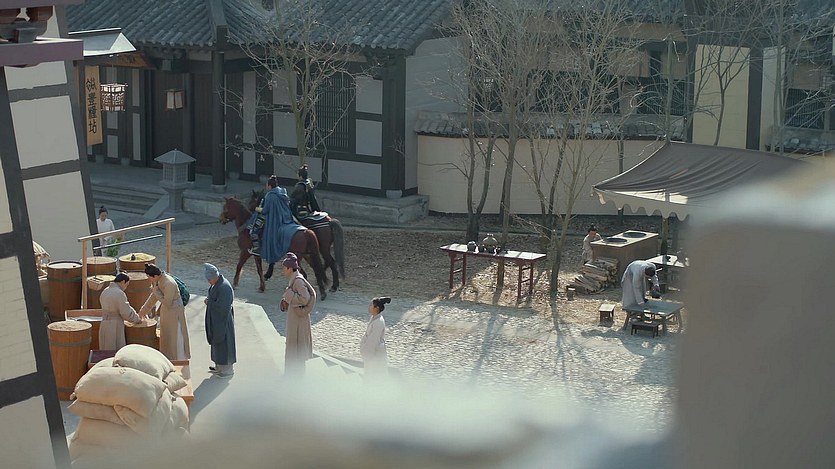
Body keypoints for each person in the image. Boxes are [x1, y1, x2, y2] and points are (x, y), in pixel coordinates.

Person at [140, 263, 190, 360]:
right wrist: (143, 311)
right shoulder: (158, 281)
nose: (149, 280)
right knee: (166, 336)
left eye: (149, 278)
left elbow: (167, 302)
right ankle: (167, 357)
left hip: (175, 312)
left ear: (155, 276)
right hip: (167, 312)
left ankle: (178, 359)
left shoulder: (169, 283)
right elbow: (153, 298)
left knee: (175, 338)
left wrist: (156, 291)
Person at [249, 175, 305, 262]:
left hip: (274, 219)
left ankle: (257, 248)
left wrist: (256, 208)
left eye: (267, 185)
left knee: (255, 229)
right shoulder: (283, 192)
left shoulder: (270, 196)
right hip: (286, 217)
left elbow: (265, 210)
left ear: (269, 186)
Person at [279, 253, 315, 376]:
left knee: (297, 347)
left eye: (284, 268)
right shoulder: (295, 279)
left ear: (290, 268)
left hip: (298, 321)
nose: (283, 270)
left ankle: (295, 375)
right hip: (296, 319)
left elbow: (305, 298)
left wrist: (288, 295)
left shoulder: (298, 281)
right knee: (294, 346)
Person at [203, 263, 236, 378]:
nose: (209, 282)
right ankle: (219, 366)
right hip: (216, 320)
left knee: (225, 344)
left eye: (209, 279)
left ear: (215, 276)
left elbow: (223, 306)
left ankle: (227, 370)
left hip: (223, 320)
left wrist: (210, 303)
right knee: (217, 343)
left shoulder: (224, 287)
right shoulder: (216, 284)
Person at [98, 272, 144, 350]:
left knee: (105, 349)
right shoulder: (119, 293)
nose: (126, 287)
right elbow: (126, 312)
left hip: (104, 323)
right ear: (123, 282)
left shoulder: (105, 291)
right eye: (126, 285)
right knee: (115, 349)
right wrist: (137, 319)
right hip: (115, 325)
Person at [360, 296, 390, 378]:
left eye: (371, 305)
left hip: (375, 353)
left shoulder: (378, 323)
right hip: (373, 350)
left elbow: (373, 341)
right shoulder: (374, 318)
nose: (369, 307)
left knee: (374, 375)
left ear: (376, 308)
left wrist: (366, 353)